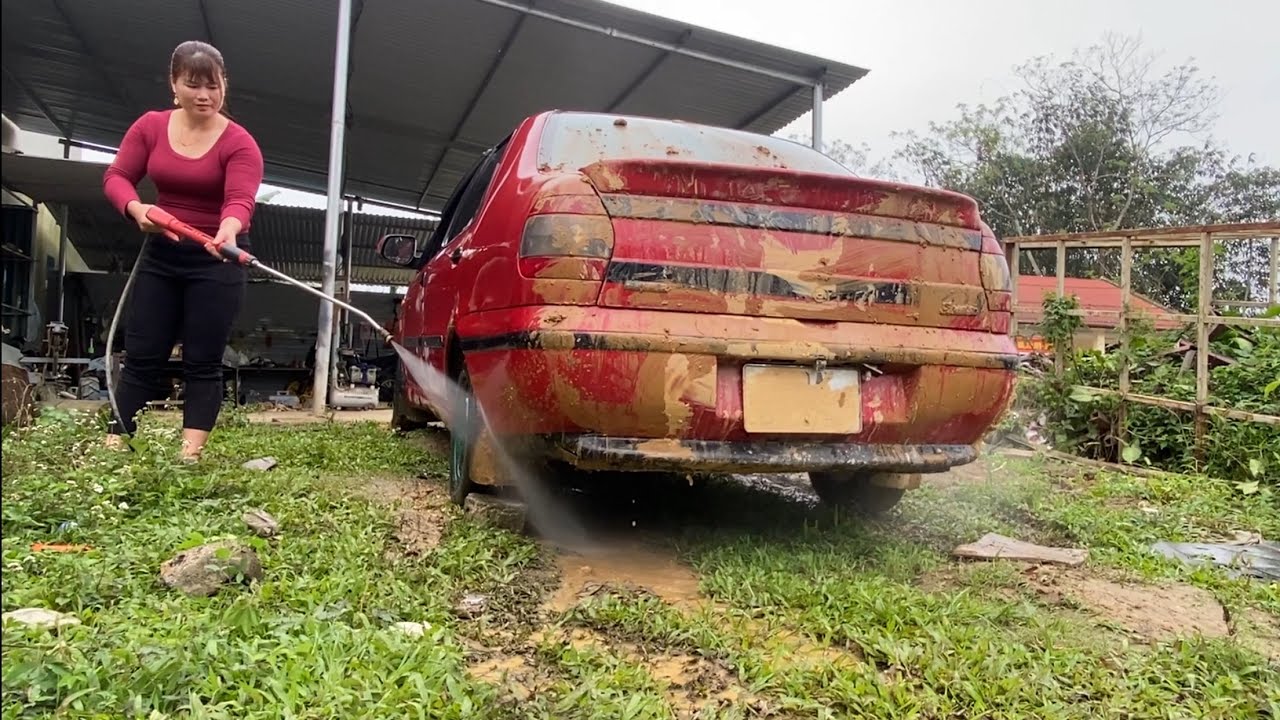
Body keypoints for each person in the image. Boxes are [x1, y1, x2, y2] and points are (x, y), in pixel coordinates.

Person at [102, 40, 264, 462]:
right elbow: (117, 176)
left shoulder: (240, 143)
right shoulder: (150, 127)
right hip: (161, 253)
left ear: (224, 85)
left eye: (213, 85)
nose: (205, 95)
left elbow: (240, 201)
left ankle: (187, 457)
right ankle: (116, 444)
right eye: (193, 85)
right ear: (174, 85)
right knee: (142, 353)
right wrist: (136, 209)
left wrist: (228, 231)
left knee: (202, 359)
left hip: (218, 257)